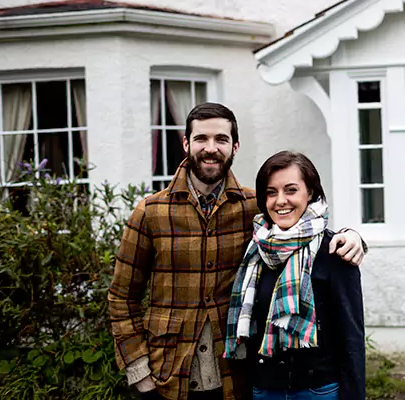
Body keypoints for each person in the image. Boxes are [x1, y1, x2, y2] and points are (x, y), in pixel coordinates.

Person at [108, 103, 366, 400]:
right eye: (201, 139)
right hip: (168, 378)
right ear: (186, 144)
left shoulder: (254, 207)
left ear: (235, 146)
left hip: (236, 380)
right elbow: (121, 298)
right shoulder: (151, 212)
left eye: (221, 139)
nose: (211, 148)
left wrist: (354, 236)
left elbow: (304, 226)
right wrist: (141, 376)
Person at [225, 151, 364, 400]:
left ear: (309, 192)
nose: (281, 201)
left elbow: (352, 338)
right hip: (265, 390)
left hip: (318, 391)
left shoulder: (335, 251)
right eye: (271, 192)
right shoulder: (255, 250)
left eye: (290, 190)